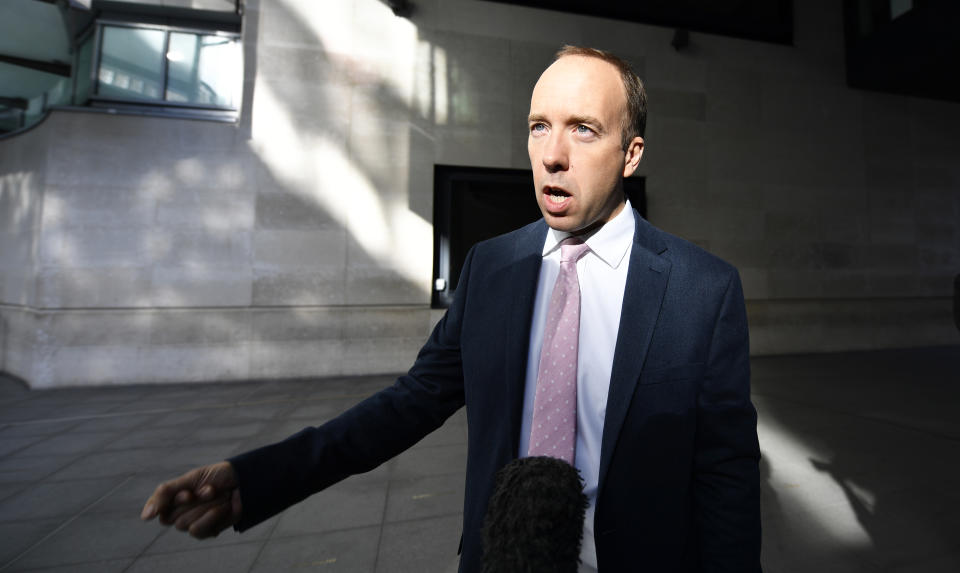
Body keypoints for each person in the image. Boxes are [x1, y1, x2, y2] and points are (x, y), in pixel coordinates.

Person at [141, 45, 761, 572]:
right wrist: (258, 479)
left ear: (630, 154)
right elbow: (410, 402)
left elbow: (726, 476)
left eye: (584, 128)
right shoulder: (492, 267)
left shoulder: (701, 290)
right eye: (539, 125)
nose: (552, 154)